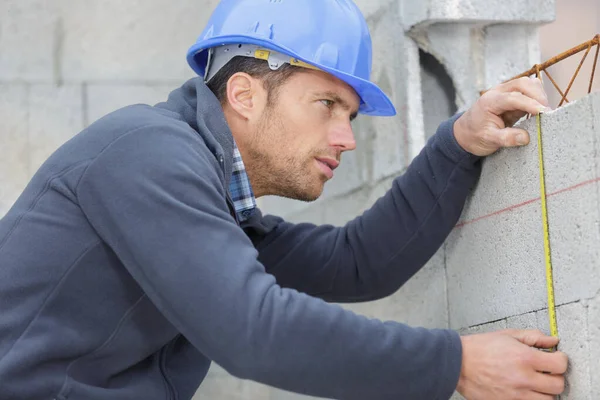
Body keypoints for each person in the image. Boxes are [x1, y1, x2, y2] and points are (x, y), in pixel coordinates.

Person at [0, 0, 568, 399]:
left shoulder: (209, 198)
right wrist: (459, 365)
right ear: (244, 94)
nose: (346, 137)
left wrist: (458, 142)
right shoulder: (147, 154)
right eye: (326, 104)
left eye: (350, 114)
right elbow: (253, 330)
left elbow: (356, 263)